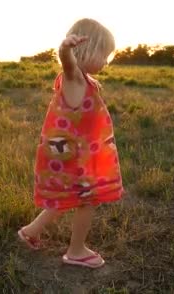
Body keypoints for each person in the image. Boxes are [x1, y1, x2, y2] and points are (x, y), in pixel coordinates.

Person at [18, 18, 124, 269]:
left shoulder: (84, 80)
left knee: (68, 197)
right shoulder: (73, 77)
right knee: (86, 201)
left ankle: (30, 231)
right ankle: (76, 251)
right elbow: (68, 64)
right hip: (75, 158)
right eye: (105, 55)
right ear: (87, 49)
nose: (106, 62)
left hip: (75, 155)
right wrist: (65, 49)